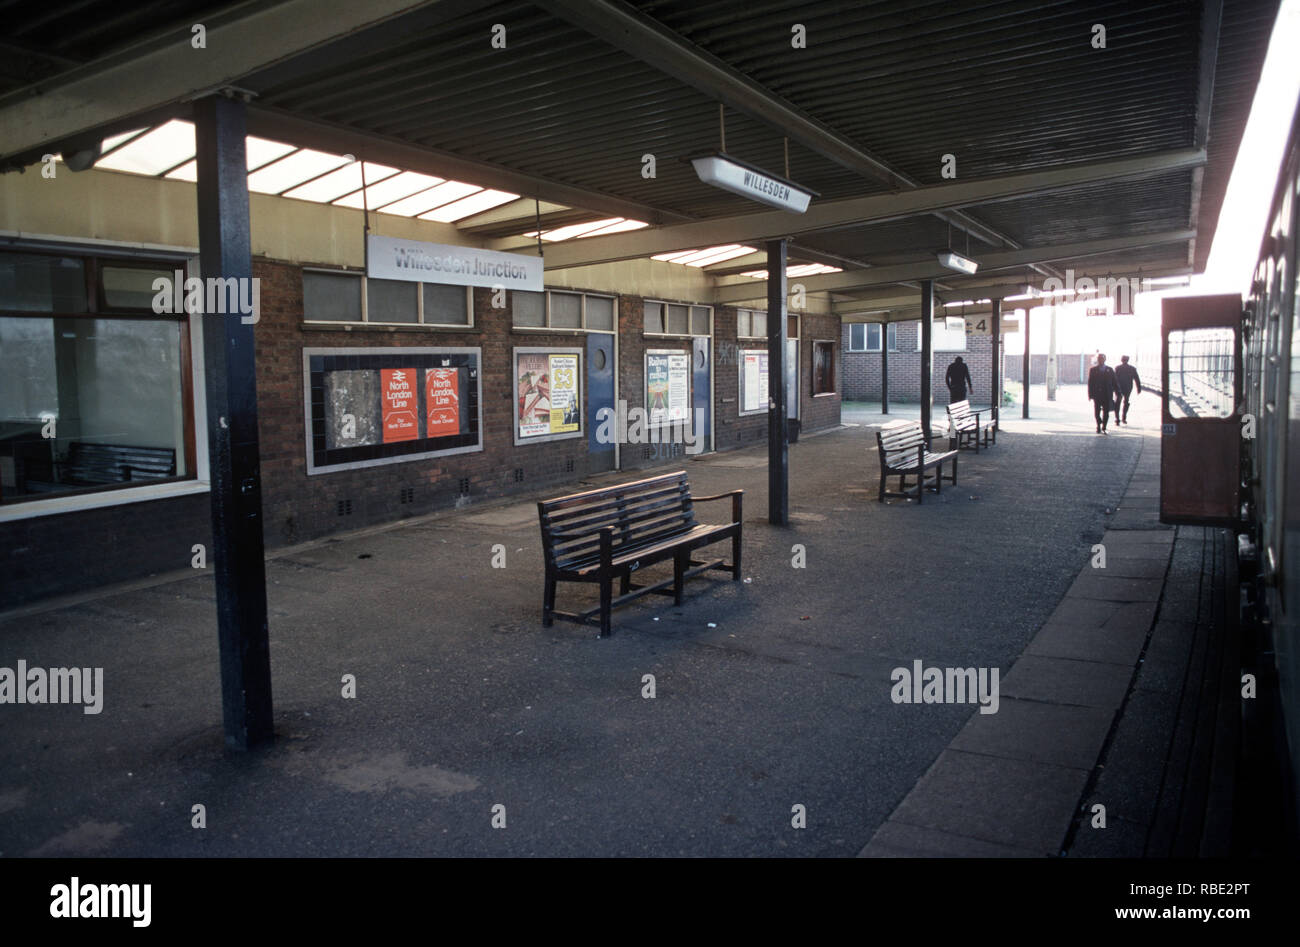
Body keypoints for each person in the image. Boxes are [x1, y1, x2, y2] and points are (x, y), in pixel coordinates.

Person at [1088, 353, 1120, 434]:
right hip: (1097, 395)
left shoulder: (1110, 370)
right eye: (1099, 359)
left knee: (1106, 412)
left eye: (1102, 359)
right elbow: (1090, 383)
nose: (1100, 360)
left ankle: (1104, 427)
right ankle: (1098, 425)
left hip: (1107, 394)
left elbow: (1114, 382)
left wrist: (1118, 392)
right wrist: (1090, 395)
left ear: (1105, 360)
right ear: (1097, 360)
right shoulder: (1093, 370)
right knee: (1097, 412)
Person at [1114, 355, 1142, 425]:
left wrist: (1112, 388)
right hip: (1128, 388)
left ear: (1121, 360)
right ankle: (1124, 418)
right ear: (1128, 360)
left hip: (1119, 388)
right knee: (1126, 402)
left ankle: (1117, 419)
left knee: (1117, 403)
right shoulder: (1132, 368)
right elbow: (1137, 379)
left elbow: (1114, 379)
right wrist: (1139, 388)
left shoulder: (1117, 368)